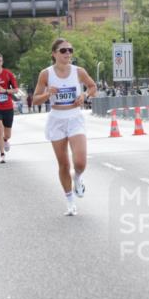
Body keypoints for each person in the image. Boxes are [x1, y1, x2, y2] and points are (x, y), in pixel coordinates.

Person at [32, 38, 98, 215]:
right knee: (63, 164)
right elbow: (35, 100)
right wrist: (47, 93)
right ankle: (70, 202)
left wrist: (84, 94)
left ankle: (78, 178)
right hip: (57, 119)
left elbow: (93, 87)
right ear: (54, 54)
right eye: (63, 51)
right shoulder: (46, 74)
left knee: (80, 162)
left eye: (70, 50)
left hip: (75, 117)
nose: (68, 53)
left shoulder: (78, 71)